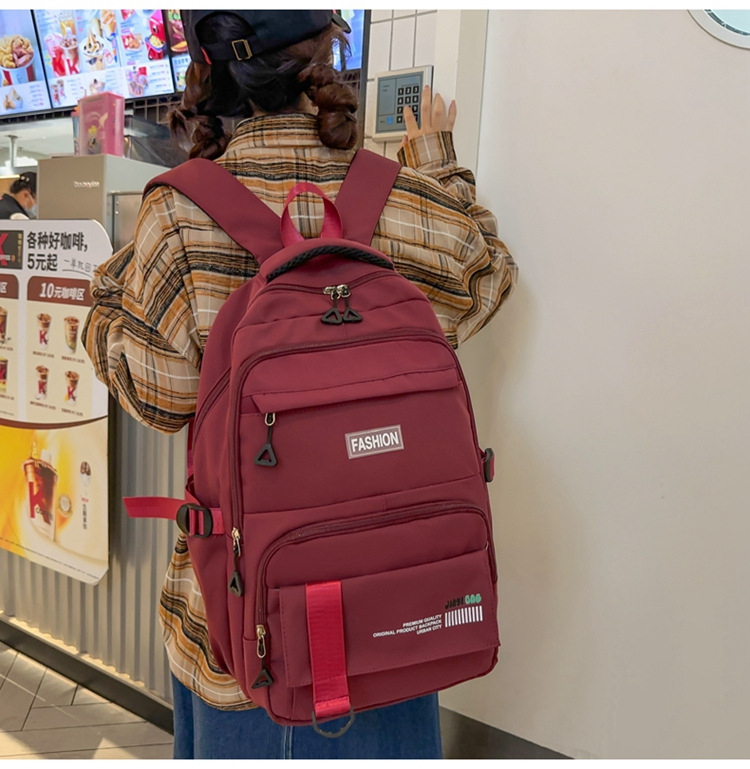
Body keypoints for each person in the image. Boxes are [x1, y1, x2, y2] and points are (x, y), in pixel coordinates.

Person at [82, 9, 517, 760]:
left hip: (249, 627)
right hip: (402, 606)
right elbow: (488, 279)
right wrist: (439, 164)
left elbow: (160, 395)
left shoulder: (180, 210)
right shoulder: (401, 191)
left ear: (209, 70)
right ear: (326, 52)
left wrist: (104, 311)